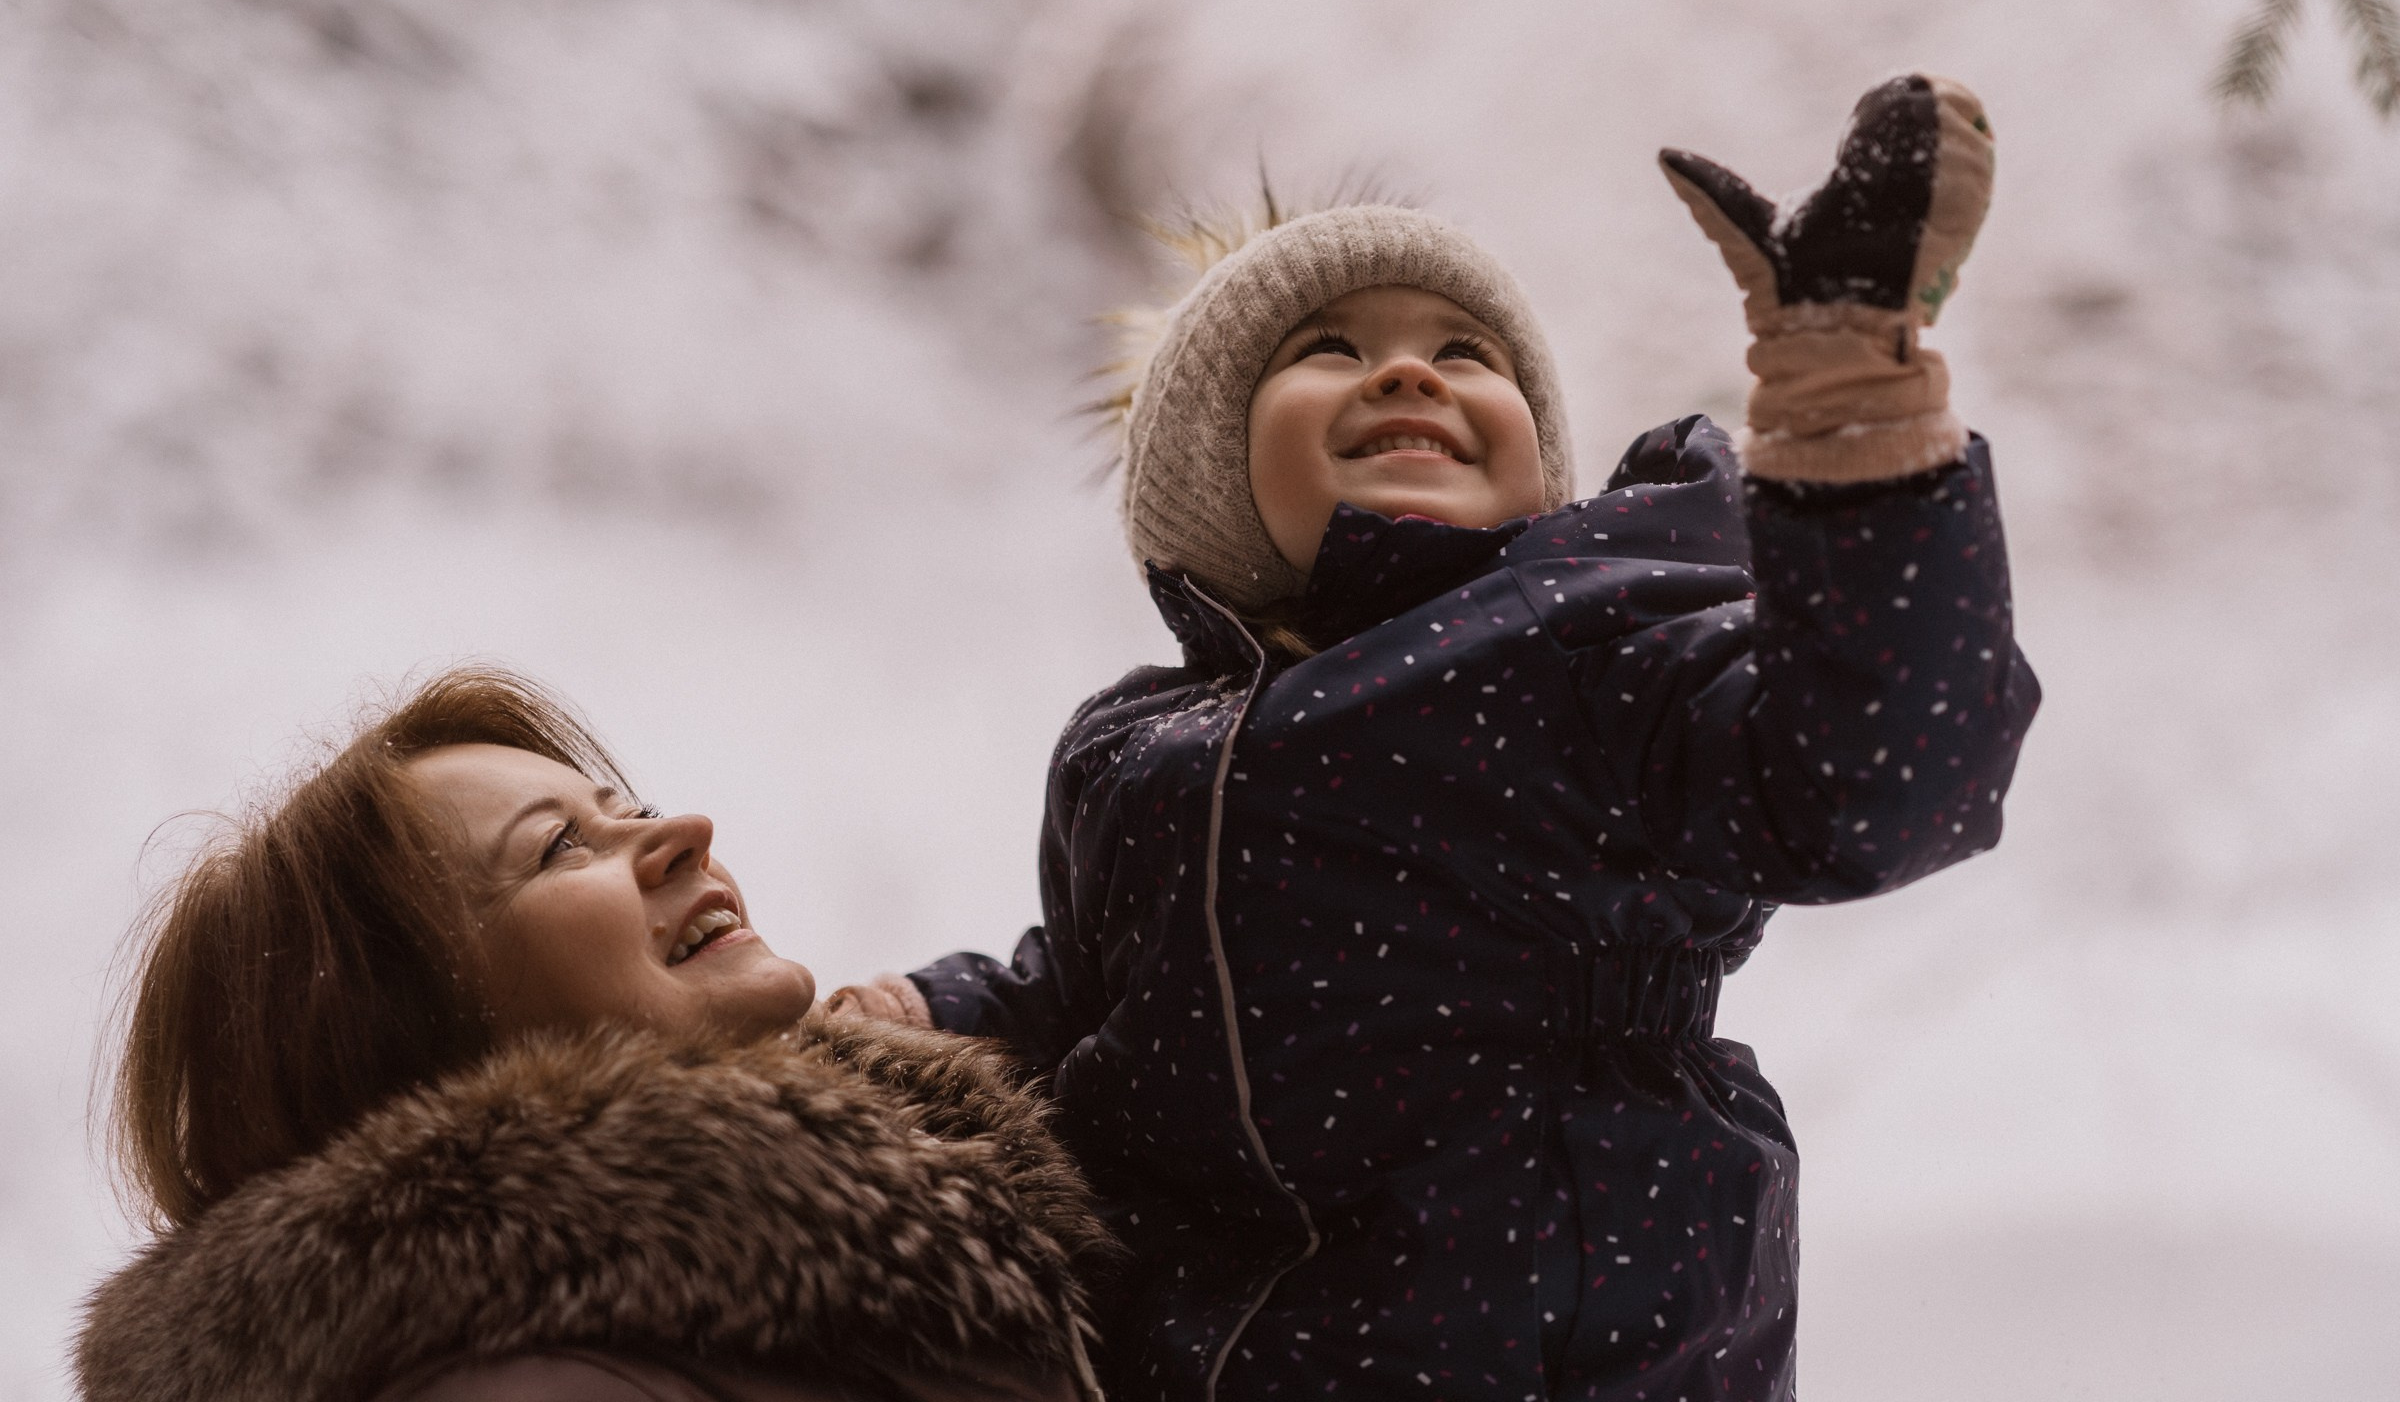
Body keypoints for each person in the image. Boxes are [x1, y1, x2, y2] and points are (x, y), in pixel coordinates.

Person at [837, 76, 2042, 1400]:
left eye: (1470, 351)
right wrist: (931, 1017)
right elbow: (1079, 984)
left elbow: (1879, 778)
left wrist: (1850, 415)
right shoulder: (1135, 746)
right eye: (1329, 349)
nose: (1411, 367)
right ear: (1206, 474)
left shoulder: (1593, 644)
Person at [78, 669, 1113, 1402]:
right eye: (560, 845)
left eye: (631, 806)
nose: (686, 832)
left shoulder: (841, 1283)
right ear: (414, 1042)